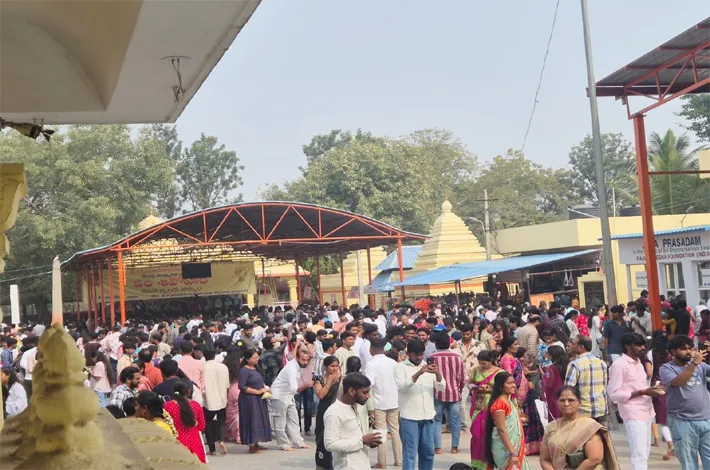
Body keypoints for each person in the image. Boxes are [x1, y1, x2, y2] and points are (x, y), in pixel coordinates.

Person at [607, 333, 664, 470]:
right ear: (627, 346)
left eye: (644, 345)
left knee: (645, 453)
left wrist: (653, 390)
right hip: (633, 413)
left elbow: (641, 387)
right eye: (638, 345)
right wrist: (642, 392)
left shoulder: (639, 363)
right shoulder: (619, 365)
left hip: (647, 411)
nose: (643, 348)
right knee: (639, 455)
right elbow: (613, 394)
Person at [659, 334, 710, 469]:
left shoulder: (701, 365)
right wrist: (693, 364)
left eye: (690, 348)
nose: (688, 351)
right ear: (673, 351)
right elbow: (678, 382)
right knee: (688, 462)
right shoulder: (666, 368)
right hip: (682, 420)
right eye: (683, 349)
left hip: (705, 419)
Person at [395, 338, 446, 470]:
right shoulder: (400, 367)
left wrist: (438, 373)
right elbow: (402, 387)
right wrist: (418, 373)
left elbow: (441, 387)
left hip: (428, 416)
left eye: (421, 354)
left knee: (428, 454)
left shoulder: (428, 366)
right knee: (410, 454)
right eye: (416, 355)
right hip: (409, 417)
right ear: (408, 354)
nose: (419, 357)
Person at [539, 386, 619, 470]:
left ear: (579, 403)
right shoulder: (551, 427)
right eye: (562, 400)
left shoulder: (589, 426)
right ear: (557, 402)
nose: (566, 404)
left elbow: (595, 459)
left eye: (571, 400)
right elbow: (544, 459)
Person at [323, 372, 383, 470]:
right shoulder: (334, 412)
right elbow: (330, 444)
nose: (368, 396)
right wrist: (362, 440)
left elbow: (353, 437)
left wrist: (368, 442)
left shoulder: (356, 407)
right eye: (364, 392)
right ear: (351, 391)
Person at [364, 337, 402, 468]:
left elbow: (368, 385)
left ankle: (382, 462)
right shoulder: (393, 363)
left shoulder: (371, 364)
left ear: (371, 349)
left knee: (381, 432)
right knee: (395, 431)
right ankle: (399, 460)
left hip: (379, 402)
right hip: (394, 401)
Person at [485, 372, 531, 470]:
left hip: (512, 448)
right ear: (501, 386)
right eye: (509, 383)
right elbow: (501, 430)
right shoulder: (499, 404)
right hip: (505, 449)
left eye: (513, 382)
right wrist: (512, 452)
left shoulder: (508, 402)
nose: (513, 385)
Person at [270, 345, 312, 451]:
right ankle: (284, 444)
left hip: (288, 396)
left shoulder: (297, 366)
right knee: (280, 421)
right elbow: (294, 388)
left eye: (307, 360)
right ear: (297, 358)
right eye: (303, 360)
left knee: (294, 419)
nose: (305, 362)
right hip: (279, 395)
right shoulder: (292, 368)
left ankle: (298, 442)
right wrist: (306, 385)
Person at [429, 332, 465, 455]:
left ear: (436, 344)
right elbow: (461, 377)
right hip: (454, 392)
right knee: (455, 421)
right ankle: (454, 447)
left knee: (437, 420)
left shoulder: (432, 357)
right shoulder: (457, 357)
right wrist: (459, 390)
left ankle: (438, 448)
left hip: (437, 393)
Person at [468, 351, 503, 470]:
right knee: (477, 435)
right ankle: (476, 463)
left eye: (484, 363)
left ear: (490, 361)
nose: (482, 366)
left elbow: (503, 389)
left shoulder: (499, 372)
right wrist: (473, 387)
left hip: (491, 406)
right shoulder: (475, 370)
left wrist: (489, 390)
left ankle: (489, 463)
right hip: (477, 406)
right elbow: (470, 383)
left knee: (489, 435)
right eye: (480, 363)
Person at [565, 335, 608, 425]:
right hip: (601, 409)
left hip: (583, 411)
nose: (570, 345)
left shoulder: (575, 364)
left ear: (581, 347)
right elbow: (604, 386)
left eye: (573, 344)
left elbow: (568, 390)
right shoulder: (601, 363)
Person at [238, 348, 272, 453]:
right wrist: (257, 392)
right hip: (249, 399)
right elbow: (242, 386)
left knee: (259, 420)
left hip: (259, 398)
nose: (256, 359)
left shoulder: (256, 368)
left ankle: (257, 443)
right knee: (252, 420)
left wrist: (265, 388)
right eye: (254, 358)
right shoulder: (244, 370)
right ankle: (252, 445)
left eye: (257, 357)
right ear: (247, 359)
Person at [164, 380, 207, 463]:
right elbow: (201, 427)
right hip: (195, 442)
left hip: (177, 442)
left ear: (174, 392)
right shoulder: (196, 405)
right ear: (188, 392)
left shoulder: (168, 406)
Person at [647, 330, 674, 461]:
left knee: (662, 420)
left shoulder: (651, 353)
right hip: (673, 386)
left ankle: (671, 445)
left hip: (658, 387)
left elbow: (649, 372)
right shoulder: (672, 353)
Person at [313, 355, 342, 469]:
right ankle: (323, 464)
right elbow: (321, 395)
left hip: (338, 411)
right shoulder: (319, 380)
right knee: (322, 437)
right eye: (332, 366)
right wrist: (329, 381)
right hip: (324, 411)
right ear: (325, 367)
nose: (335, 369)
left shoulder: (342, 380)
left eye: (337, 366)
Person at [203, 345, 230, 456]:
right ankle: (222, 441)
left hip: (208, 399)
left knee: (208, 423)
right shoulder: (223, 367)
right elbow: (227, 385)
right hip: (222, 397)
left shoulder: (203, 367)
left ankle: (212, 449)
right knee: (222, 421)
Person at [541, 345, 567, 420]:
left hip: (554, 394)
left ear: (551, 355)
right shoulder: (568, 365)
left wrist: (543, 375)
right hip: (566, 391)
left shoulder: (552, 368)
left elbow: (548, 383)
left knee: (556, 414)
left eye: (548, 353)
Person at [223, 348, 242, 443]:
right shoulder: (240, 364)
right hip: (237, 388)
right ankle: (237, 434)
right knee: (237, 413)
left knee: (230, 411)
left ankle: (230, 433)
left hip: (228, 388)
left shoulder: (224, 364)